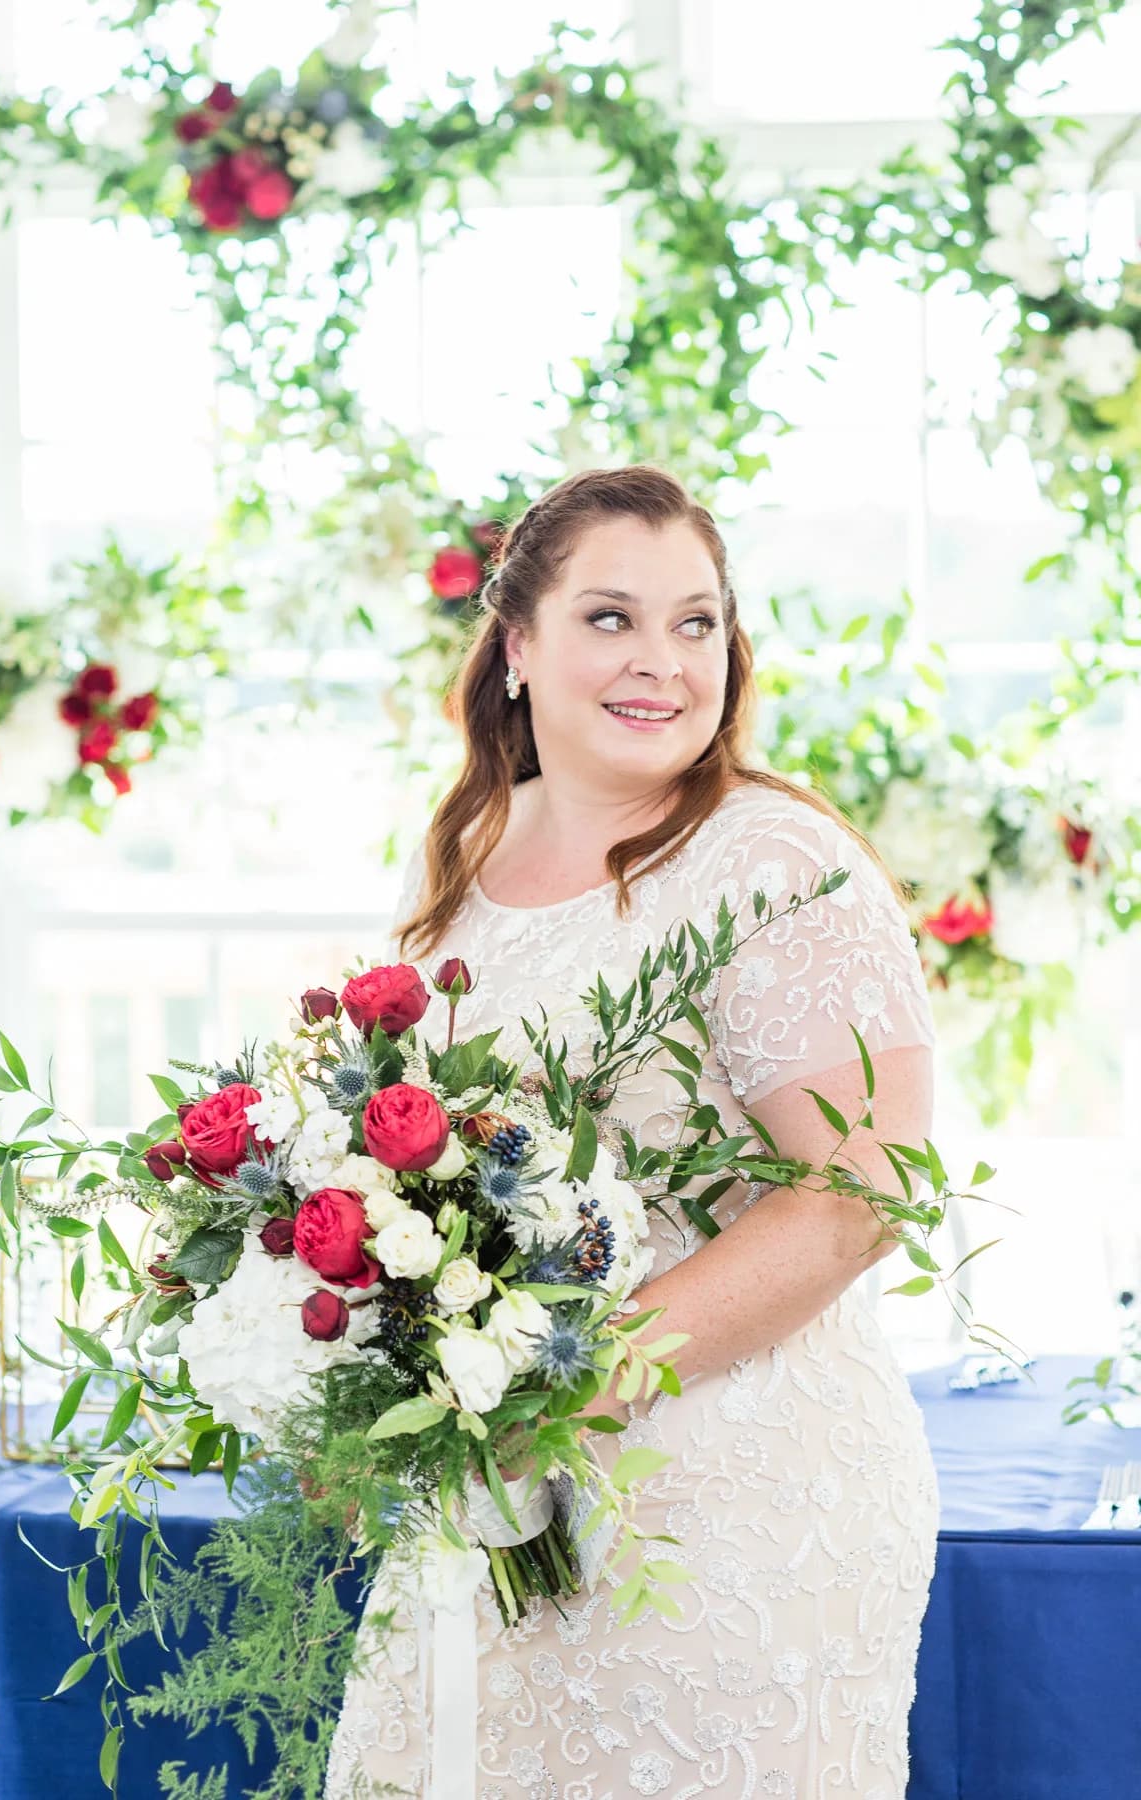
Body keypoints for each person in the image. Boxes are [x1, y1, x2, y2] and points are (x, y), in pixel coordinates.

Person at [327, 464, 939, 1799]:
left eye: (695, 622)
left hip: (733, 1502)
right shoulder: (466, 864)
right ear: (519, 648)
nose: (660, 660)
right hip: (494, 1497)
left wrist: (571, 1390)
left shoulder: (774, 864)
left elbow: (859, 1195)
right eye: (610, 618)